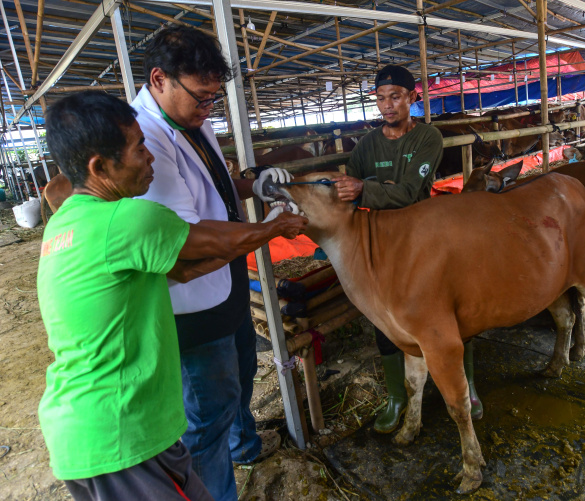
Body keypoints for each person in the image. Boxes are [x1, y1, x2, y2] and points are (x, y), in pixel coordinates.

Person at [37, 91, 307, 501]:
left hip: (99, 424)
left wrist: (255, 234)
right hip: (119, 434)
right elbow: (208, 240)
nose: (151, 158)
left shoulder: (65, 224)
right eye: (138, 148)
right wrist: (273, 225)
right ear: (99, 166)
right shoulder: (127, 220)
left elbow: (186, 268)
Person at [131, 26, 295, 501]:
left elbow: (218, 182)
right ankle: (217, 491)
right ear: (159, 79)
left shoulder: (191, 120)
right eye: (201, 96)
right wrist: (271, 228)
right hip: (193, 298)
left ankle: (243, 444)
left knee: (241, 373)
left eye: (213, 98)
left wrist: (256, 182)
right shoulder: (146, 140)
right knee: (206, 413)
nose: (209, 108)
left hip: (227, 276)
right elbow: (189, 239)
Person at [333, 65, 483, 433]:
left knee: (453, 310)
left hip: (423, 238)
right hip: (381, 243)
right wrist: (371, 187)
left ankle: (470, 386)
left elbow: (409, 193)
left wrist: (369, 188)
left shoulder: (428, 138)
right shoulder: (367, 144)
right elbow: (352, 188)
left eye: (395, 96)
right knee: (382, 314)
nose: (387, 105)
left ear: (413, 98)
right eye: (381, 97)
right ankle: (396, 395)